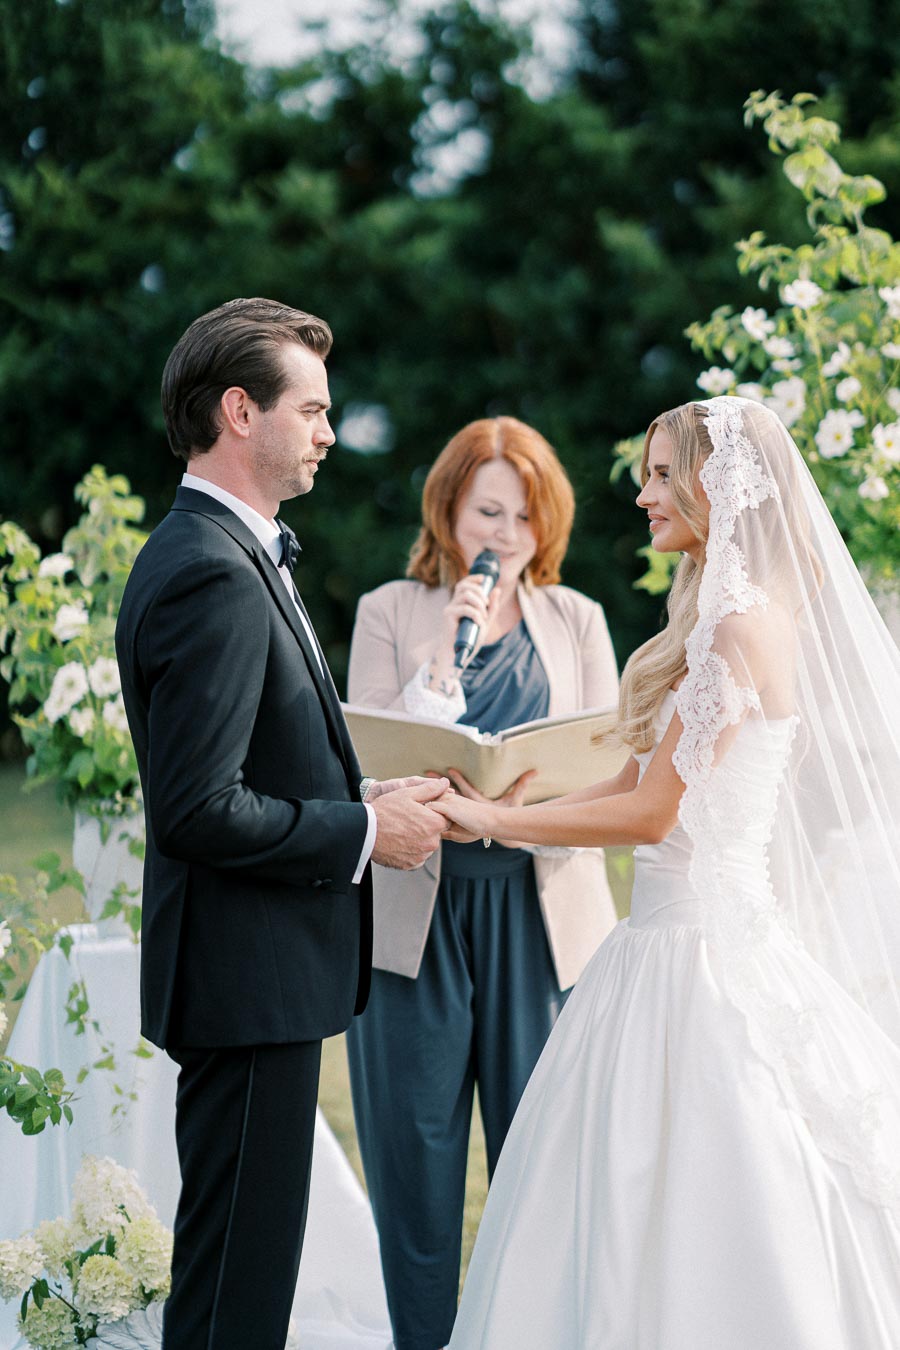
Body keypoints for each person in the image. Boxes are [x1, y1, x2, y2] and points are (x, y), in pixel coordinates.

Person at [436, 396, 900, 1348]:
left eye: (661, 475)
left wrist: (486, 821)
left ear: (717, 487)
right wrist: (517, 811)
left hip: (699, 948)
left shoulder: (737, 624)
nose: (644, 494)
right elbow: (639, 777)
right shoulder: (719, 608)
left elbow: (655, 812)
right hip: (665, 929)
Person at [115, 297, 449, 1350]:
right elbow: (197, 807)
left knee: (238, 1277)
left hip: (257, 977)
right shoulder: (210, 569)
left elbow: (257, 758)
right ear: (238, 412)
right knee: (233, 1296)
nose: (328, 432)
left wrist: (364, 800)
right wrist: (361, 839)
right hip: (246, 981)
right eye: (310, 409)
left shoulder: (232, 549)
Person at [344, 415, 620, 1350]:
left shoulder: (577, 617)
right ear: (450, 507)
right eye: (488, 511)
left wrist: (525, 796)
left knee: (540, 1166)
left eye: (525, 518)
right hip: (414, 913)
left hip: (539, 916)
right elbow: (367, 756)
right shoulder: (389, 608)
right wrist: (446, 648)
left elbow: (607, 757)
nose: (505, 535)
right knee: (414, 1168)